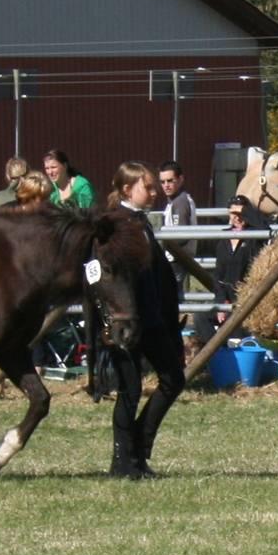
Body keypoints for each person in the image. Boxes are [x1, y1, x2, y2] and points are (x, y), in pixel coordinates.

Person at [104, 161, 185, 479]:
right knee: (130, 390)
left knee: (173, 379)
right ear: (127, 190)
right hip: (127, 321)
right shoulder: (114, 225)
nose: (153, 192)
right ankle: (123, 462)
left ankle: (139, 447)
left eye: (154, 187)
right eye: (147, 187)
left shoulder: (141, 223)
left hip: (151, 319)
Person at [193, 194, 259, 345]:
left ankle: (228, 356)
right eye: (233, 213)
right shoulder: (224, 238)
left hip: (244, 300)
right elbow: (218, 275)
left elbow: (265, 228)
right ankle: (215, 355)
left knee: (236, 330)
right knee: (200, 316)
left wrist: (249, 214)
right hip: (226, 298)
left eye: (241, 213)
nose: (237, 217)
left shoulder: (254, 237)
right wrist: (221, 302)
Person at [159, 159, 197, 300]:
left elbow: (181, 235)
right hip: (175, 257)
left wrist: (161, 245)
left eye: (170, 180)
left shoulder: (180, 202)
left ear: (180, 179)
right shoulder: (175, 201)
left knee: (170, 297)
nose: (166, 185)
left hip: (176, 259)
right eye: (162, 182)